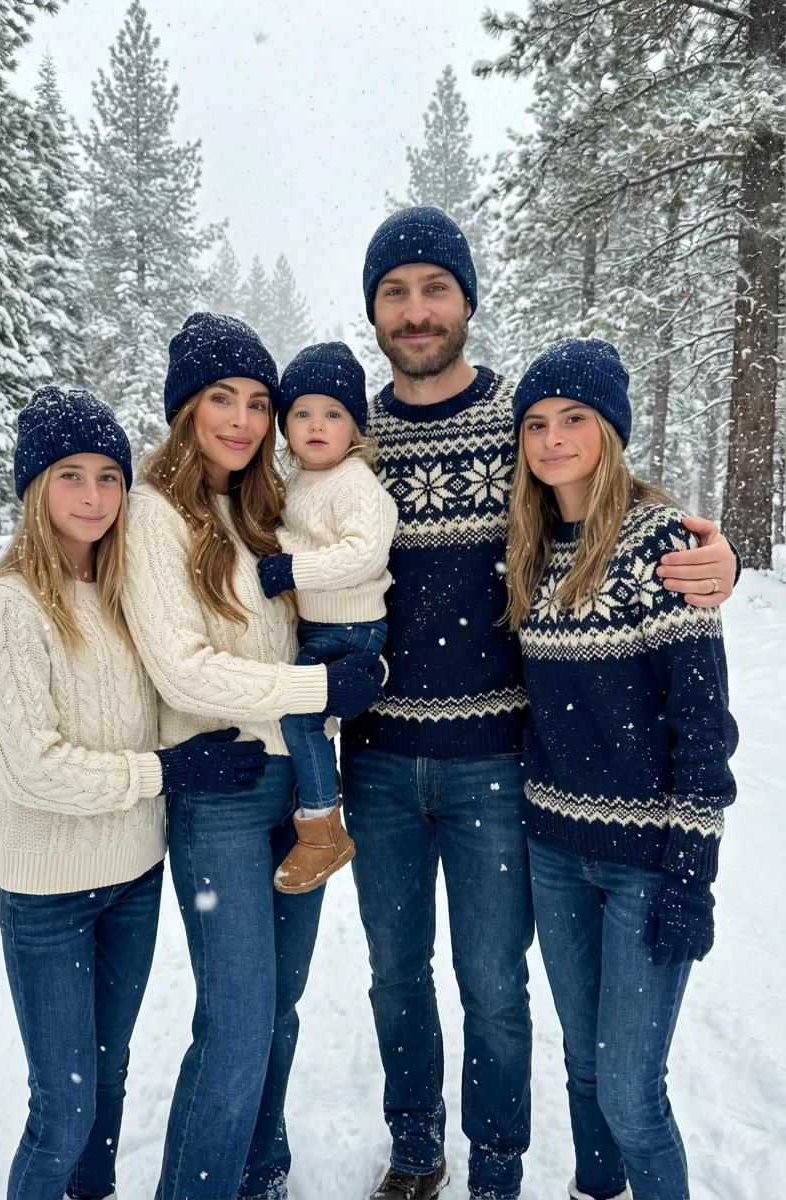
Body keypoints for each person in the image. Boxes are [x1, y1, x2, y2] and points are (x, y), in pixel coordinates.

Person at [340, 207, 740, 1200]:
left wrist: (712, 550)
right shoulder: (348, 440)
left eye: (435, 288)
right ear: (373, 313)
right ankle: (414, 1144)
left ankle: (496, 1161)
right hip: (380, 763)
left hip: (494, 766)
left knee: (492, 986)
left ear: (467, 302)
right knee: (395, 975)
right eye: (395, 291)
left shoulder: (526, 416)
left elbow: (601, 488)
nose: (416, 310)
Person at [0, 386, 263, 1200]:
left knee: (106, 1084)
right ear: (35, 488)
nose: (94, 497)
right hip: (49, 895)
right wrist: (166, 772)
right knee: (61, 1109)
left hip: (133, 876)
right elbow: (34, 767)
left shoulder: (124, 594)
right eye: (71, 476)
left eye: (108, 477)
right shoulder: (9, 605)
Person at [119, 313, 386, 1200]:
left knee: (275, 1011)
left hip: (297, 790)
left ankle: (259, 1170)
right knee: (236, 1024)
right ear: (186, 409)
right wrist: (320, 694)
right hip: (223, 790)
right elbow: (183, 671)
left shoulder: (264, 506)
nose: (240, 419)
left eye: (256, 402)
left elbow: (357, 571)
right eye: (220, 398)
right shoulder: (154, 515)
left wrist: (369, 662)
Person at [506, 338, 738, 1200]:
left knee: (634, 1092)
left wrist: (690, 875)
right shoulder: (531, 550)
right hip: (554, 853)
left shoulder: (661, 544)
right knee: (582, 1063)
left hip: (643, 864)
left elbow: (702, 730)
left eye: (574, 419)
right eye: (536, 423)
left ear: (610, 431)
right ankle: (593, 1190)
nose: (554, 438)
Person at [254, 341, 398, 893]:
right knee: (304, 717)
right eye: (303, 413)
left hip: (351, 626)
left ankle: (321, 828)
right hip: (317, 626)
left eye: (333, 414)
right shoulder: (293, 484)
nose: (317, 425)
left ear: (354, 428)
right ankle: (317, 795)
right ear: (285, 426)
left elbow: (364, 554)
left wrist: (291, 570)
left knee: (298, 714)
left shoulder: (354, 483)